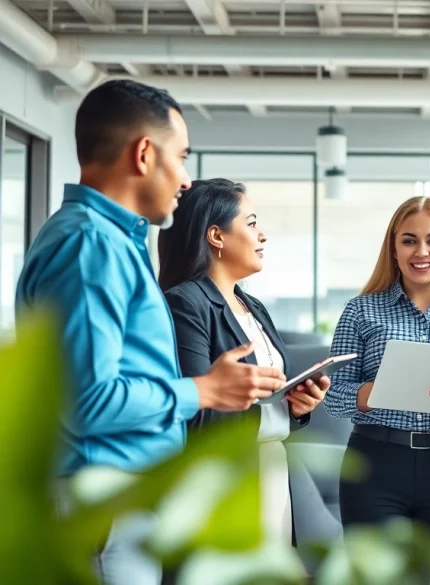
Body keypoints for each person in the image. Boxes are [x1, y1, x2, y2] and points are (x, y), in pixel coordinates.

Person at [14, 80, 285, 585]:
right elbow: (85, 401)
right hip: (101, 508)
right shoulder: (89, 247)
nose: (185, 180)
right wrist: (203, 390)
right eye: (180, 157)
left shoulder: (110, 243)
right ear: (143, 154)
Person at [324, 196, 430, 580]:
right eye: (409, 240)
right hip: (373, 465)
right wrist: (375, 392)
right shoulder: (360, 310)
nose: (422, 252)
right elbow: (332, 398)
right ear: (393, 248)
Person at [158, 178, 329, 547]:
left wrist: (296, 407)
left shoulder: (252, 306)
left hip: (271, 467)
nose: (262, 235)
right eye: (251, 223)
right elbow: (192, 410)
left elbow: (266, 403)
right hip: (224, 475)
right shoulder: (186, 304)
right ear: (216, 236)